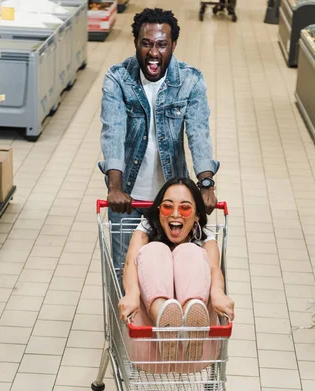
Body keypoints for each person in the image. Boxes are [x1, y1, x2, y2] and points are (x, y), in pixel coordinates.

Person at [99, 7, 219, 269]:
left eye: (162, 45)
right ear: (136, 44)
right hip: (128, 200)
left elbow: (199, 132)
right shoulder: (118, 78)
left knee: (172, 274)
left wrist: (206, 184)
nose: (154, 52)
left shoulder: (190, 80)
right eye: (146, 44)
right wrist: (115, 188)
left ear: (173, 45)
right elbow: (113, 130)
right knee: (124, 272)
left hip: (172, 205)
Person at [118, 178, 235, 368]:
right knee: (155, 250)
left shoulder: (206, 241)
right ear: (158, 210)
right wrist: (131, 294)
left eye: (185, 208)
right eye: (167, 206)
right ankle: (163, 318)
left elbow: (214, 270)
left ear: (197, 215)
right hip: (148, 341)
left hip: (196, 354)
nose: (175, 214)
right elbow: (130, 264)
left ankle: (192, 320)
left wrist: (219, 294)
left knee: (189, 252)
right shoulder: (145, 232)